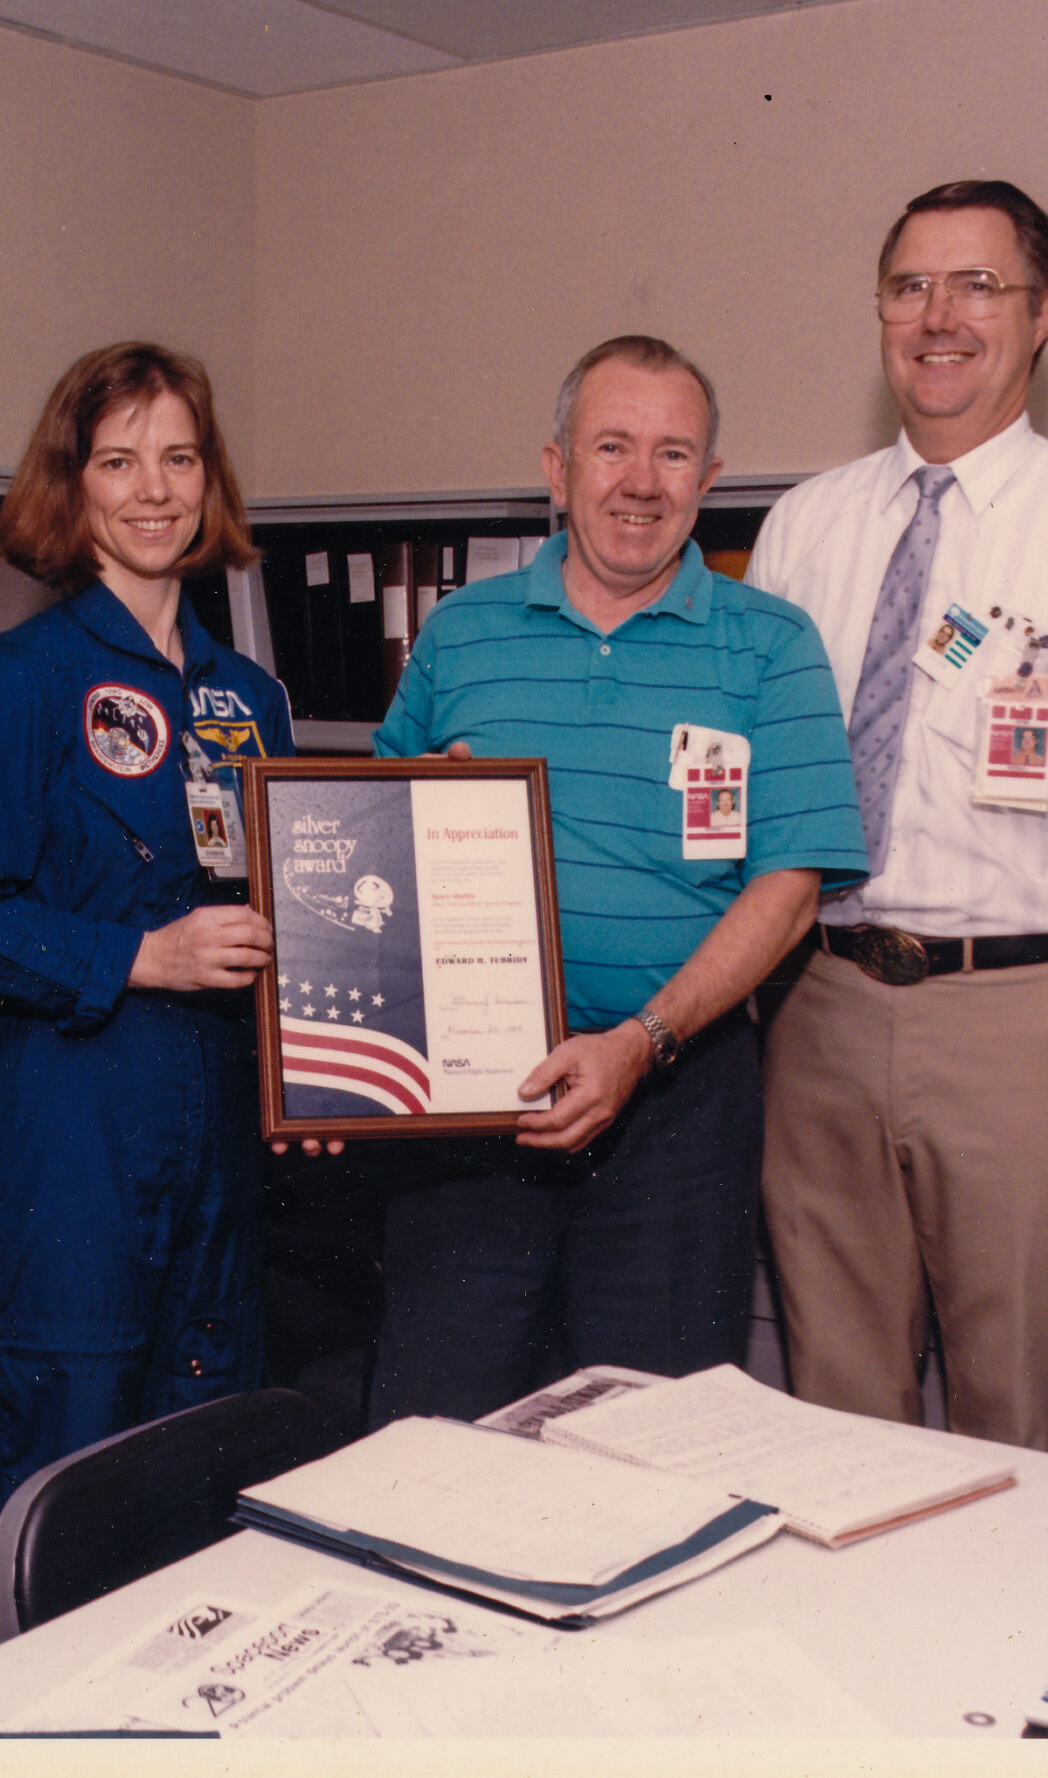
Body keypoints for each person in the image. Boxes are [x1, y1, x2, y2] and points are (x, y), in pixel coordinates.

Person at [746, 180, 1048, 1454]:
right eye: (910, 285)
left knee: (1014, 1415)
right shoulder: (805, 525)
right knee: (833, 1420)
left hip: (1025, 1023)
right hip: (822, 1007)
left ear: (1042, 312)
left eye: (977, 285)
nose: (938, 316)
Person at [365, 335, 867, 1424]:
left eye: (673, 453)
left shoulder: (772, 646)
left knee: (655, 1447)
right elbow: (359, 850)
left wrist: (639, 1043)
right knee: (433, 1439)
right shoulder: (459, 634)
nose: (641, 481)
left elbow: (786, 890)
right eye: (611, 446)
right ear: (556, 467)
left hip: (677, 1109)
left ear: (709, 481)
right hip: (469, 1111)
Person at [0, 341, 292, 1638]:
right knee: (59, 1494)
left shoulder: (250, 700)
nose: (155, 490)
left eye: (179, 457)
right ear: (73, 488)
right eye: (118, 461)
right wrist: (138, 956)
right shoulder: (16, 684)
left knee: (202, 1485)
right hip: (77, 1135)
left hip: (224, 1138)